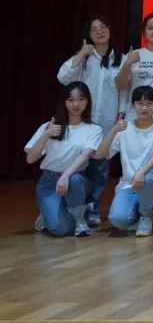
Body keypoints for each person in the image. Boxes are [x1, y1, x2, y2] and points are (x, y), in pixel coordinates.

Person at [57, 16, 123, 225]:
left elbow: (124, 92)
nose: (99, 32)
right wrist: (80, 54)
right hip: (81, 122)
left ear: (110, 30)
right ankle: (75, 208)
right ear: (89, 34)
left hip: (106, 123)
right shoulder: (83, 57)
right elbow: (63, 78)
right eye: (94, 29)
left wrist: (121, 115)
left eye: (103, 27)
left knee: (99, 169)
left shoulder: (121, 59)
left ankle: (93, 210)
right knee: (78, 166)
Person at [25, 82, 102, 237]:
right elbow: (30, 159)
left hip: (76, 180)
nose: (76, 104)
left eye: (80, 99)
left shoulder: (94, 129)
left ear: (87, 101)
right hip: (49, 182)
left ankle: (80, 220)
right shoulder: (49, 126)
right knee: (62, 230)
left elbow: (85, 155)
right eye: (71, 100)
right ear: (64, 102)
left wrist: (65, 175)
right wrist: (46, 134)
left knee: (74, 179)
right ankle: (47, 212)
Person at [98, 86, 153, 236]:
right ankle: (148, 214)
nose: (144, 108)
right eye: (140, 104)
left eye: (149, 103)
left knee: (147, 178)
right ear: (133, 106)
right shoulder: (124, 128)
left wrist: (141, 172)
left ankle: (145, 216)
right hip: (130, 184)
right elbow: (100, 154)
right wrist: (114, 130)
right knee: (118, 219)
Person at [115, 12, 153, 123]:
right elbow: (120, 85)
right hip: (135, 112)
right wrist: (128, 63)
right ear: (144, 32)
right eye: (150, 28)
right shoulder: (134, 54)